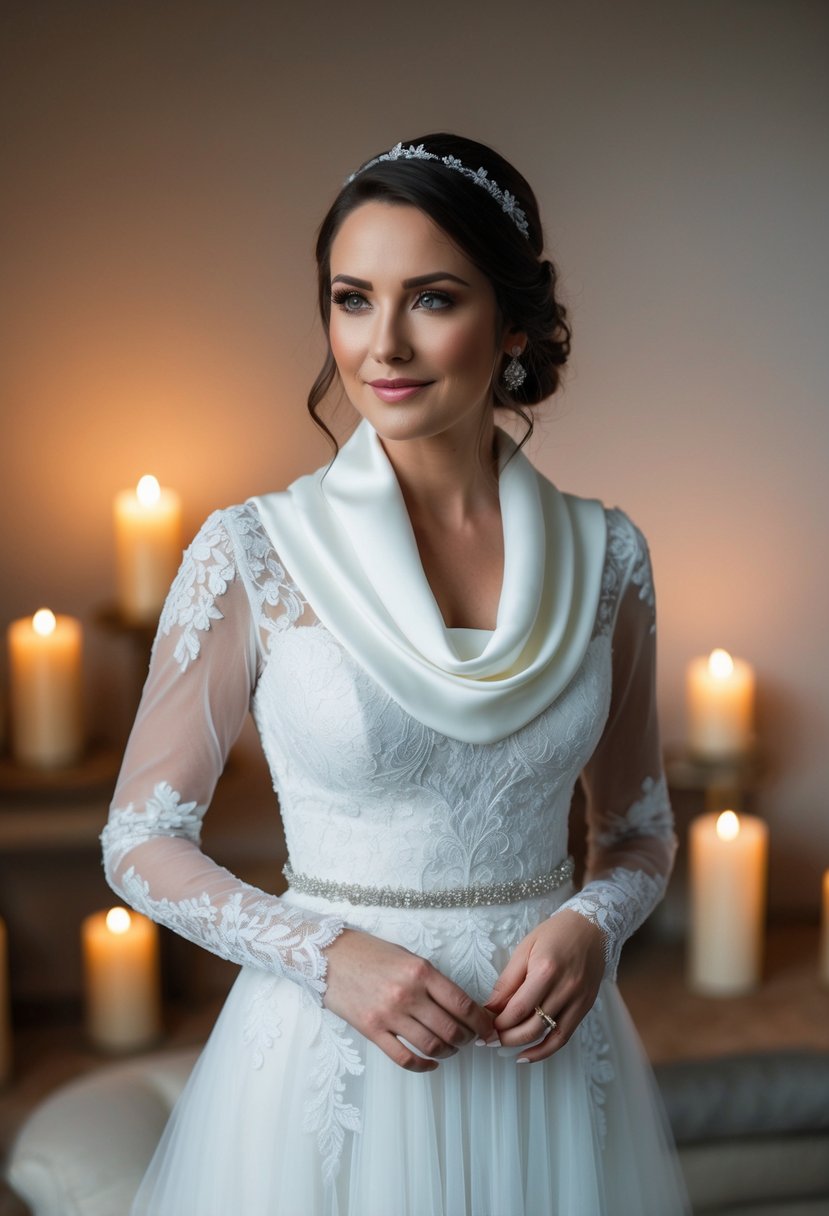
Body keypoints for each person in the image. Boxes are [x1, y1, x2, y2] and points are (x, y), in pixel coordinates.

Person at [101, 133, 690, 1215]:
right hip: (329, 1056)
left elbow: (640, 829)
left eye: (431, 298)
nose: (385, 345)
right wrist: (326, 954)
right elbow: (137, 840)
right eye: (352, 298)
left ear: (511, 325)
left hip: (544, 1062)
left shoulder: (608, 558)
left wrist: (587, 924)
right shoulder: (253, 551)